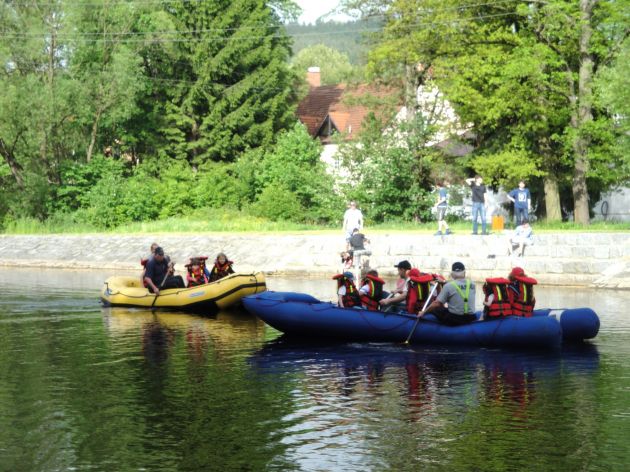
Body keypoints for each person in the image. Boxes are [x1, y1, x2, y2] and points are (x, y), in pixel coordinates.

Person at [417, 262, 477, 326]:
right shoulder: (473, 284)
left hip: (455, 319)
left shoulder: (448, 286)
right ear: (464, 273)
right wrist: (443, 282)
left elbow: (437, 303)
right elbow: (458, 286)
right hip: (471, 317)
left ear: (452, 274)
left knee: (435, 308)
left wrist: (424, 312)